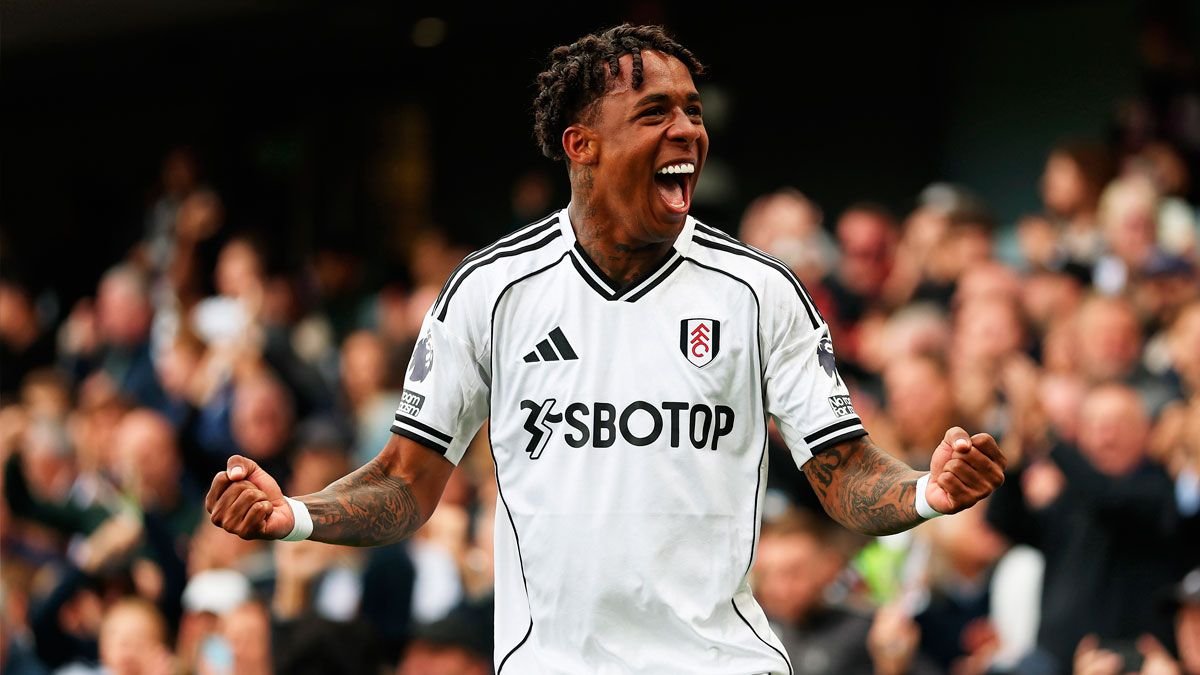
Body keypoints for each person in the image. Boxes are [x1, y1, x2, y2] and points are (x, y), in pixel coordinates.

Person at [205, 24, 1006, 674]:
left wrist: (926, 491)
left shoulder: (758, 291)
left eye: (693, 110)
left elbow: (846, 471)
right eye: (655, 112)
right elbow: (405, 483)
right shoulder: (492, 290)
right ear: (581, 144)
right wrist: (295, 514)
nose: (687, 129)